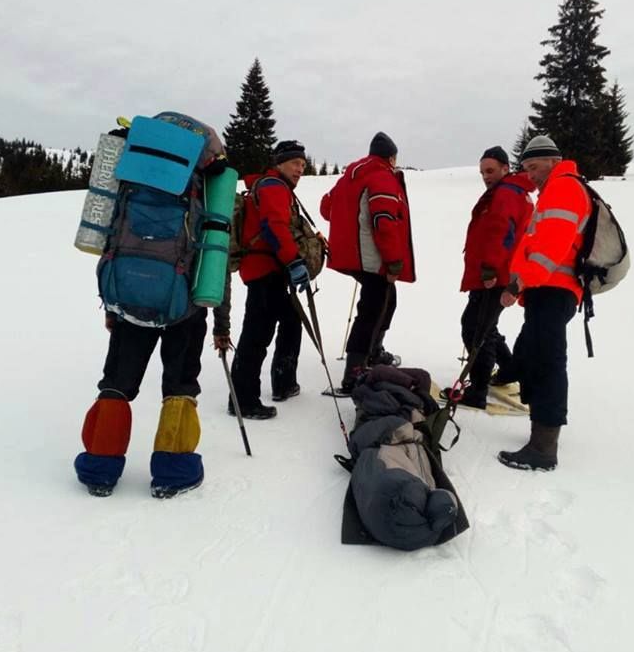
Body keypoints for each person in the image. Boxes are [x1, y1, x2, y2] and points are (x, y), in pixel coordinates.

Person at [74, 114, 228, 498]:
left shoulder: (133, 176)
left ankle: (100, 467)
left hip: (128, 298)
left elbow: (111, 236)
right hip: (186, 305)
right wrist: (221, 320)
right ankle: (174, 471)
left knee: (117, 382)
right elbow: (218, 257)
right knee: (179, 384)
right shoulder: (209, 186)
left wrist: (111, 306)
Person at [498, 135, 591, 471]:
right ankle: (540, 435)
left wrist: (520, 281)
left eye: (535, 167)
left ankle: (543, 448)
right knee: (535, 355)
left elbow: (552, 246)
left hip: (555, 289)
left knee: (548, 363)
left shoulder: (564, 187)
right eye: (525, 169)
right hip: (546, 289)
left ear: (554, 160)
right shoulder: (556, 189)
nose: (531, 175)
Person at [320, 132, 414, 392]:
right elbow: (384, 220)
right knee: (373, 309)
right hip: (372, 257)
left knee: (385, 301)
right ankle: (355, 371)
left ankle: (372, 353)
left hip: (353, 255)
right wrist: (394, 262)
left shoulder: (350, 175)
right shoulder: (382, 176)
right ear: (391, 157)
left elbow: (326, 208)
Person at [228, 140, 311, 419]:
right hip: (265, 269)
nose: (300, 168)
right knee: (257, 334)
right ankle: (243, 399)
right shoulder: (273, 186)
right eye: (295, 163)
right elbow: (274, 226)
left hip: (269, 269)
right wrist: (294, 261)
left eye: (302, 164)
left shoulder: (273, 186)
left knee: (290, 321)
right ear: (279, 163)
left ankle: (284, 382)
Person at [456, 145, 534, 408]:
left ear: (505, 168)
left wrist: (489, 269)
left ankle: (477, 391)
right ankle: (512, 369)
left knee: (475, 329)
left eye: (490, 170)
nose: (486, 176)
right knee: (487, 326)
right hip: (498, 272)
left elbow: (501, 232)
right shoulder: (511, 192)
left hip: (495, 274)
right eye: (482, 172)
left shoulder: (505, 194)